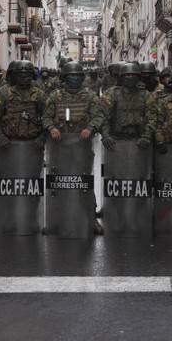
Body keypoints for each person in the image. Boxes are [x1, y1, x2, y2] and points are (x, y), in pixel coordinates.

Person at [42, 61, 104, 234]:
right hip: (59, 148)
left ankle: (91, 220)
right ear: (64, 78)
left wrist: (90, 128)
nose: (74, 79)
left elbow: (99, 116)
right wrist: (51, 128)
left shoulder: (90, 96)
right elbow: (45, 117)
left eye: (77, 76)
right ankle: (54, 221)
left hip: (81, 147)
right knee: (58, 184)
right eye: (71, 76)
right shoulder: (55, 97)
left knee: (84, 184)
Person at [100, 63, 155, 152]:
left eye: (133, 75)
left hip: (140, 142)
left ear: (138, 77)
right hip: (115, 142)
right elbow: (103, 117)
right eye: (127, 75)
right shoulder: (110, 94)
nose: (130, 77)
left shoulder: (146, 95)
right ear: (121, 77)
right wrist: (106, 136)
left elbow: (152, 118)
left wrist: (147, 136)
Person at [0, 60, 45, 150]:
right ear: (14, 76)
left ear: (32, 76)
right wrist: (1, 137)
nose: (23, 77)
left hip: (33, 143)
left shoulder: (40, 94)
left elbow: (48, 117)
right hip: (9, 142)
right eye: (19, 74)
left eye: (26, 74)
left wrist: (42, 138)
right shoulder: (4, 93)